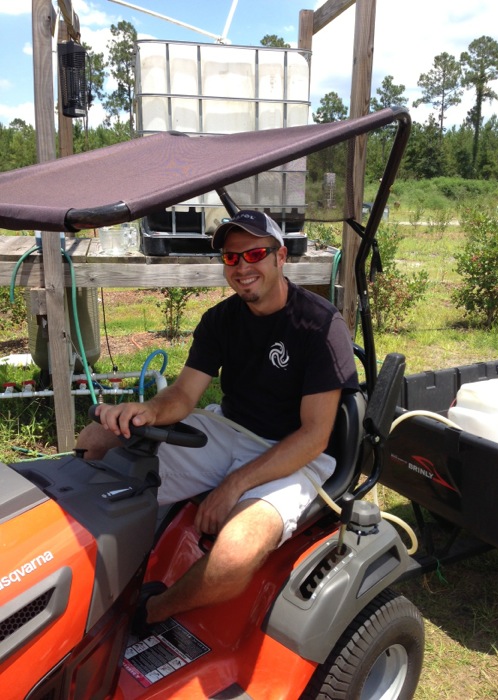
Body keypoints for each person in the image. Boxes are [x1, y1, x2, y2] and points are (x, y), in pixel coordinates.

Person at [76, 209, 358, 632]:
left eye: (255, 254)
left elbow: (315, 436)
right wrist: (149, 411)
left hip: (296, 453)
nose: (242, 267)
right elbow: (185, 394)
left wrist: (235, 483)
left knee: (234, 554)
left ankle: (151, 611)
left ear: (281, 257)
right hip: (230, 428)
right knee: (95, 439)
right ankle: (87, 567)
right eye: (231, 258)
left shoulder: (319, 326)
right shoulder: (220, 321)